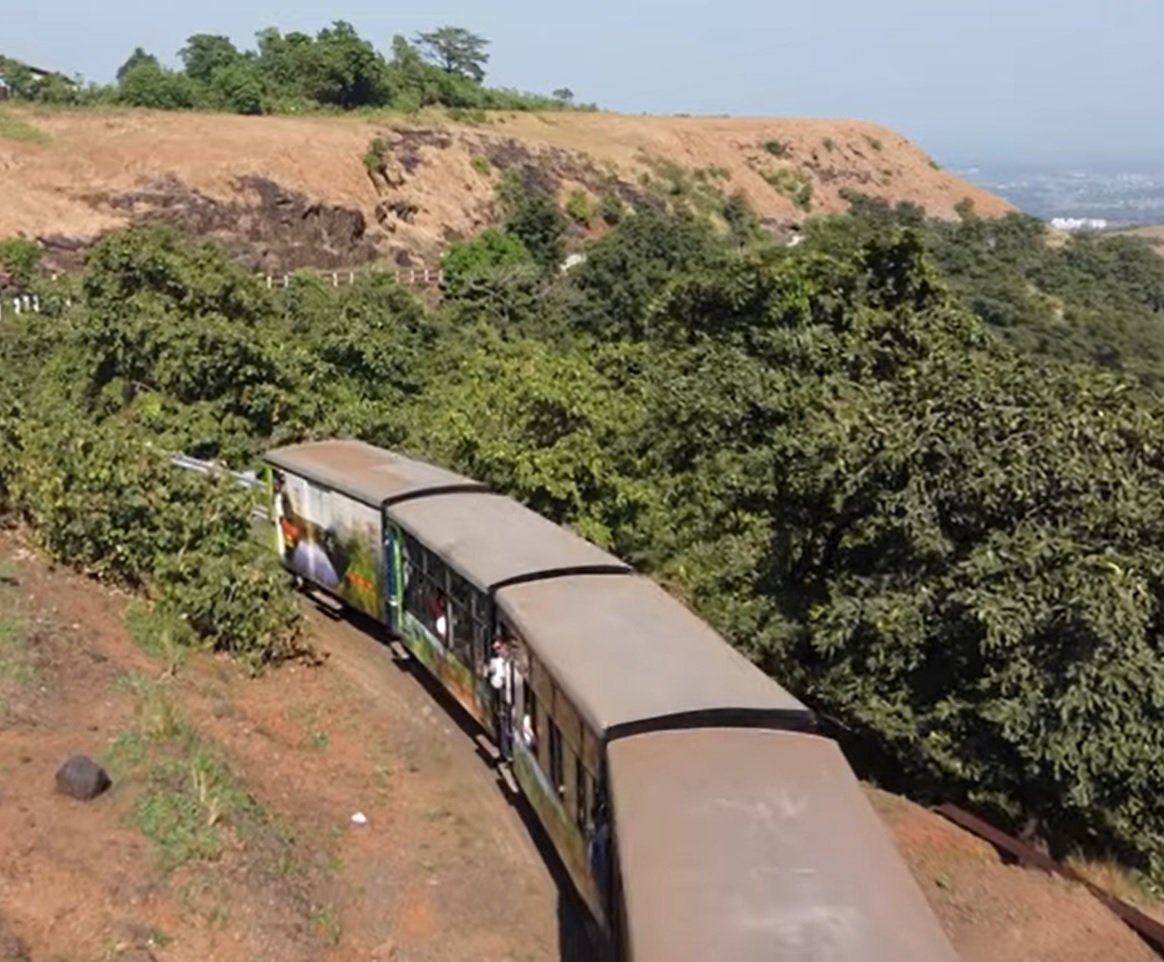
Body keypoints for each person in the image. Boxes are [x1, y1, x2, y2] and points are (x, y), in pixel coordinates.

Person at [488, 639, 514, 756]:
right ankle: (506, 751)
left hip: (510, 699)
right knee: (505, 724)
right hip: (505, 699)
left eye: (500, 648)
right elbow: (496, 683)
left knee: (508, 724)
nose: (499, 651)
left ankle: (507, 750)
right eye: (497, 649)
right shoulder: (496, 662)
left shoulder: (509, 663)